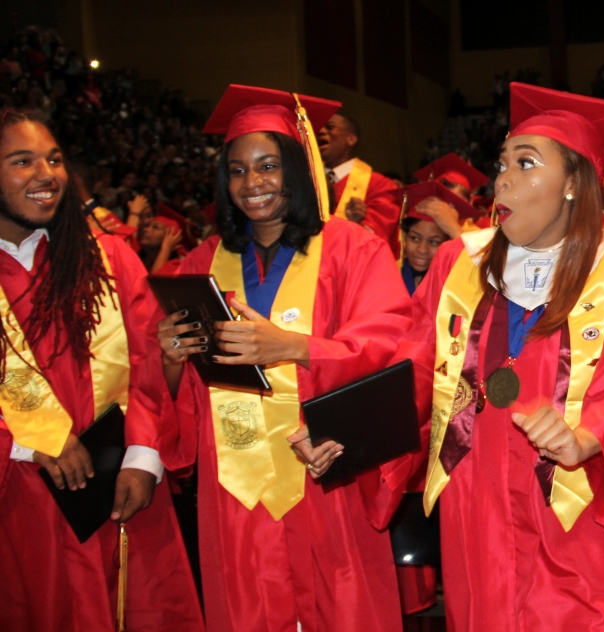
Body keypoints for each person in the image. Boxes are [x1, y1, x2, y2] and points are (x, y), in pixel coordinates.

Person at [406, 82, 604, 630]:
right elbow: (409, 360)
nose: (502, 177)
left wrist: (592, 432)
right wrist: (347, 426)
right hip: (478, 498)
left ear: (575, 182)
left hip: (575, 501)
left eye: (526, 163)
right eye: (502, 162)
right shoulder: (458, 263)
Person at [155, 85, 413, 632]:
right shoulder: (200, 263)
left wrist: (293, 347)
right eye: (238, 171)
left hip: (325, 471)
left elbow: (391, 348)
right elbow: (180, 399)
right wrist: (172, 360)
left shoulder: (351, 247)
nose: (253, 184)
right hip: (237, 490)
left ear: (297, 169)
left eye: (269, 166)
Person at [0, 108, 204, 631]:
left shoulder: (107, 258)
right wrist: (29, 438)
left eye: (53, 159)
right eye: (22, 161)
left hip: (120, 492)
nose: (46, 174)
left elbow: (149, 363)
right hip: (19, 502)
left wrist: (142, 456)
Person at [318, 112, 404, 257]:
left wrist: (357, 223)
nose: (320, 131)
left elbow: (378, 239)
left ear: (351, 139)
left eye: (330, 127)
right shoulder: (308, 179)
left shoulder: (381, 186)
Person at [413, 153, 490, 232]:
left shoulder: (476, 236)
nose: (445, 210)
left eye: (454, 205)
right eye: (441, 202)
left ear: (469, 203)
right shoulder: (418, 229)